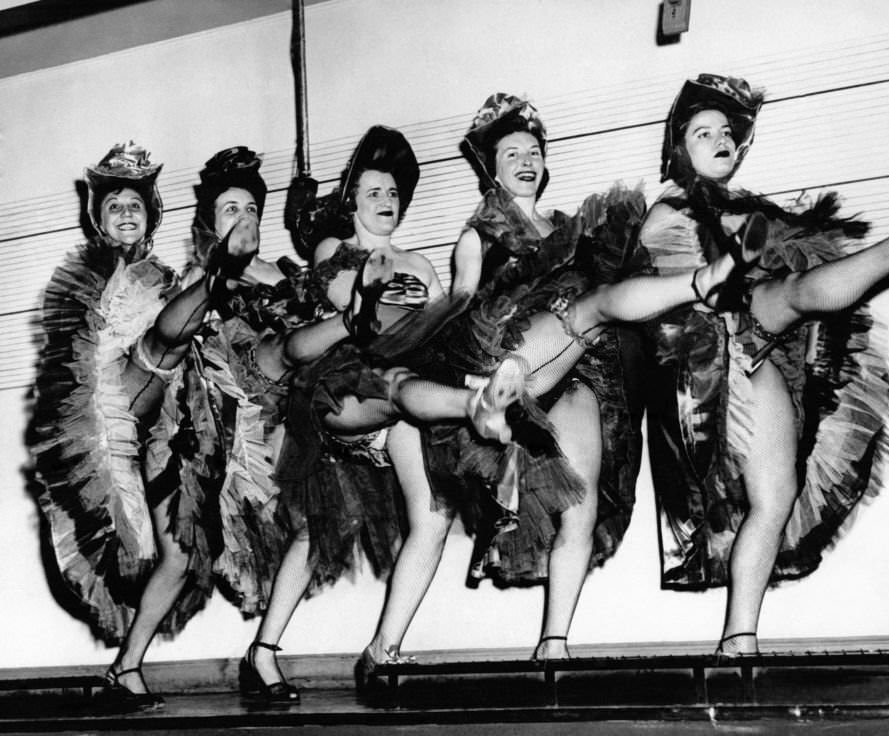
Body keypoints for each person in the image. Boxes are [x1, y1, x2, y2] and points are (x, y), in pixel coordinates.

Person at [359, 94, 764, 669]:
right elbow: (461, 303)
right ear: (490, 167)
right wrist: (426, 356)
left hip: (578, 370)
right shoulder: (478, 235)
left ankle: (553, 645)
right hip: (503, 345)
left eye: (534, 151)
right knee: (433, 513)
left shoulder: (573, 230)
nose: (525, 160)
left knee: (582, 506)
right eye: (511, 152)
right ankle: (511, 381)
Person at [637, 73, 889, 655]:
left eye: (726, 133)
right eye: (701, 132)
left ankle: (740, 639)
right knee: (788, 293)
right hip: (699, 356)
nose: (718, 140)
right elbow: (672, 302)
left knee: (778, 493)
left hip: (754, 341)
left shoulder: (755, 210)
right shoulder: (667, 212)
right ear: (679, 147)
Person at [240, 126, 520, 705]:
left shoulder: (419, 260)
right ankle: (261, 653)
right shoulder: (332, 252)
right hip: (343, 390)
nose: (385, 201)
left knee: (435, 515)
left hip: (408, 402)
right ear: (352, 200)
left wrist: (471, 299)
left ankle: (381, 652)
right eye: (372, 192)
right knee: (316, 528)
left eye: (393, 192)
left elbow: (454, 329)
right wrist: (449, 307)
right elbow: (372, 324)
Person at [27, 142, 200, 712]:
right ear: (97, 219)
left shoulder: (168, 280)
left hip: (163, 428)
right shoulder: (85, 277)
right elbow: (73, 372)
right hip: (109, 422)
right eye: (114, 205)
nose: (127, 213)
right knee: (134, 549)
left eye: (137, 205)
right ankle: (124, 671)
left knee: (181, 551)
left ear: (152, 216)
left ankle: (127, 666)